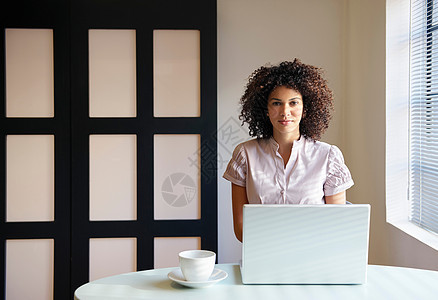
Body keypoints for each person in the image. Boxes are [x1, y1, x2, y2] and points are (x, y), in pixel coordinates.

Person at [223, 59, 354, 242]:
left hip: (314, 258)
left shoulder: (328, 157)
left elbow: (337, 226)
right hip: (262, 257)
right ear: (266, 110)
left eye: (293, 103)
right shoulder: (245, 154)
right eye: (276, 103)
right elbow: (240, 228)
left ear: (305, 109)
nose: (285, 112)